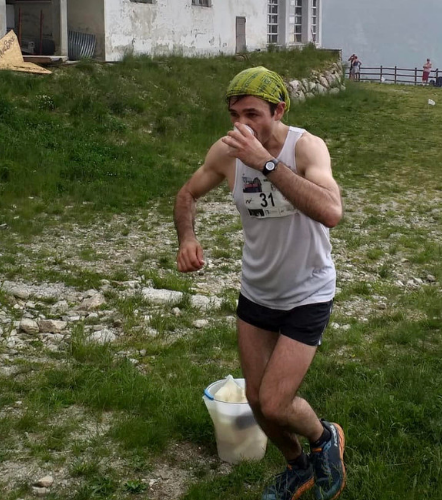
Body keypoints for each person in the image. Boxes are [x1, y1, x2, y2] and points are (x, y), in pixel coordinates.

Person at [174, 66, 346, 500]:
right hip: (257, 291)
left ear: (278, 110)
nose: (242, 125)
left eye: (252, 114)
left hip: (307, 290)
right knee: (256, 400)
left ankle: (324, 436)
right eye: (235, 115)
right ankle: (297, 467)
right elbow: (187, 194)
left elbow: (331, 211)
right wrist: (187, 238)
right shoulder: (226, 152)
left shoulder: (305, 147)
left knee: (274, 402)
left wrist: (266, 164)